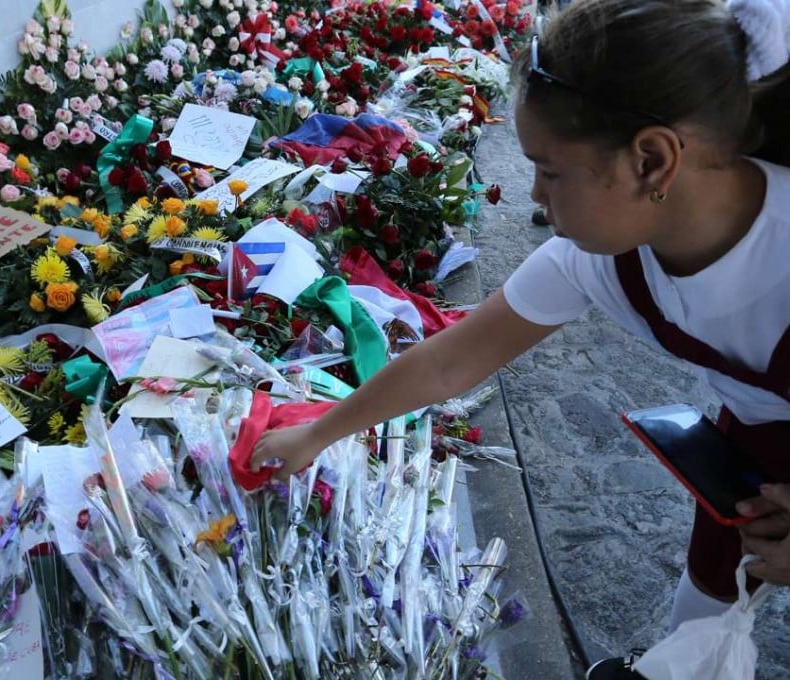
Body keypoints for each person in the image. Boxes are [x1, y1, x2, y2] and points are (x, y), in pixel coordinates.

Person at [251, 0, 790, 677]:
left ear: (652, 161)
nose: (536, 196)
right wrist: (319, 432)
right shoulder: (599, 259)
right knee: (721, 573)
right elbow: (452, 360)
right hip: (759, 437)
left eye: (552, 171)